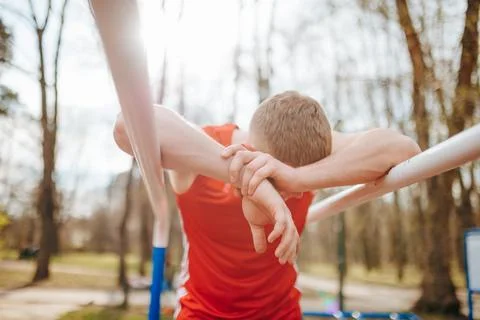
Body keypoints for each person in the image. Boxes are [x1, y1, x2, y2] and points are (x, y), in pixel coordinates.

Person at [113, 91, 420, 319]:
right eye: (278, 182)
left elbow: (403, 149)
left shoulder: (310, 146)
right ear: (249, 150)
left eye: (290, 189)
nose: (289, 199)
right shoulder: (206, 149)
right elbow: (127, 124)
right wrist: (253, 180)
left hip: (280, 312)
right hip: (202, 312)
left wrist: (297, 179)